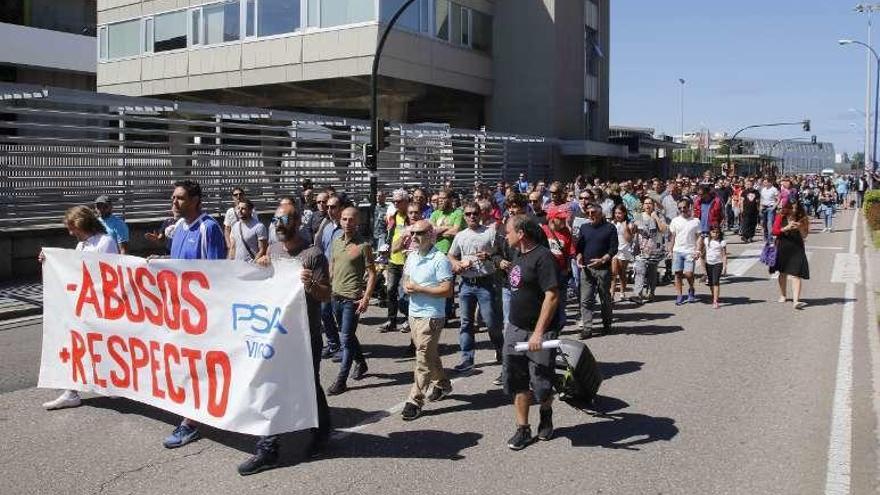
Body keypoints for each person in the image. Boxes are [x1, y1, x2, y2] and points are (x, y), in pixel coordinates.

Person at [238, 202, 332, 475]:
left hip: (305, 337)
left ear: (298, 221)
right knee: (272, 387)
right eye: (275, 219)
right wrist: (260, 266)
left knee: (309, 387)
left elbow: (326, 294)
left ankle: (322, 431)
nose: (278, 224)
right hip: (276, 336)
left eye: (284, 219)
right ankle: (268, 449)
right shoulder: (274, 250)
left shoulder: (313, 254)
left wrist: (310, 284)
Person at [162, 180, 227, 449]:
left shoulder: (208, 228)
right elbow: (180, 267)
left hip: (200, 315)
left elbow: (215, 275)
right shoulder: (178, 228)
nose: (174, 202)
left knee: (197, 366)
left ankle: (191, 422)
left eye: (179, 198)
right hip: (177, 311)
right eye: (173, 197)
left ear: (195, 200)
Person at [41, 205, 119, 411]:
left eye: (71, 227)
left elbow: (113, 274)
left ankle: (115, 384)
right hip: (84, 306)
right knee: (77, 347)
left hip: (102, 307)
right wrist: (50, 261)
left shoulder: (106, 242)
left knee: (102, 347)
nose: (70, 232)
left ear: (80, 223)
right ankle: (71, 391)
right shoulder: (81, 246)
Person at [502, 214, 559, 450]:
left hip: (539, 332)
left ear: (521, 233)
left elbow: (552, 295)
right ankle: (523, 428)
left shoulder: (543, 257)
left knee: (542, 383)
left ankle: (546, 412)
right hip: (515, 328)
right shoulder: (517, 255)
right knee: (517, 380)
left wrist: (538, 333)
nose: (506, 236)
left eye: (508, 231)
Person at [400, 220, 454, 420]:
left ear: (431, 234)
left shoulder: (440, 259)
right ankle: (442, 384)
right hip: (414, 313)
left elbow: (447, 290)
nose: (414, 237)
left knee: (422, 357)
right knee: (428, 353)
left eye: (420, 233)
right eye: (412, 233)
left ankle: (414, 400)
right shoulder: (412, 256)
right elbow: (406, 278)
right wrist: (407, 286)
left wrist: (421, 288)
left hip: (432, 315)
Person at [327, 207, 377, 395]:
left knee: (346, 339)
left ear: (358, 222)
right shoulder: (336, 240)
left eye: (351, 220)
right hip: (335, 296)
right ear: (340, 221)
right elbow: (333, 265)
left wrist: (366, 298)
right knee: (347, 334)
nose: (347, 222)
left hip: (352, 299)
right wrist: (327, 287)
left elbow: (372, 274)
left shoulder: (363, 245)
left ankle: (341, 381)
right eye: (344, 219)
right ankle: (362, 363)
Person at [448, 202, 502, 374]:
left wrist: (489, 256)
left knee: (491, 321)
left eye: (475, 213)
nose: (472, 216)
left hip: (486, 282)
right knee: (466, 323)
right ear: (464, 216)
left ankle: (501, 350)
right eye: (469, 214)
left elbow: (500, 252)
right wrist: (456, 263)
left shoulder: (489, 232)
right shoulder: (460, 236)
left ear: (481, 215)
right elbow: (451, 254)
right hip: (466, 284)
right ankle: (467, 359)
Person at [575, 202, 617, 339]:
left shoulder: (610, 228)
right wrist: (579, 256)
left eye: (593, 212)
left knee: (604, 299)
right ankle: (587, 328)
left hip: (603, 269)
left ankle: (607, 324)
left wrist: (603, 260)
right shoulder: (584, 227)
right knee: (585, 299)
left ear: (601, 214)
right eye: (588, 213)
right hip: (586, 269)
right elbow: (579, 247)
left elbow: (613, 249)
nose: (590, 215)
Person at [382, 189, 412, 333]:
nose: (395, 203)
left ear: (406, 201)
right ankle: (391, 320)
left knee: (405, 292)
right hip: (393, 259)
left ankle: (407, 319)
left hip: (408, 260)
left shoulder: (412, 216)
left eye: (399, 201)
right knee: (390, 290)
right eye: (394, 201)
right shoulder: (393, 216)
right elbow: (390, 234)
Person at [771, 201, 810, 309]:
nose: (793, 210)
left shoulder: (803, 218)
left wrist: (800, 228)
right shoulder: (780, 216)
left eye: (795, 208)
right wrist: (786, 228)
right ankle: (783, 295)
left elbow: (805, 235)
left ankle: (796, 300)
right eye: (791, 208)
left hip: (797, 248)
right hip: (783, 247)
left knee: (796, 274)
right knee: (782, 273)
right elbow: (774, 231)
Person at [632, 197, 666, 303]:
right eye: (646, 203)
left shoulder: (659, 216)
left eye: (650, 203)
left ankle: (651, 293)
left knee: (652, 273)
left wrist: (655, 217)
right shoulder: (638, 217)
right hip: (641, 250)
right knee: (640, 272)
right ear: (643, 205)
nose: (648, 205)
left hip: (654, 250)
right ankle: (638, 294)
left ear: (653, 205)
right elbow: (633, 231)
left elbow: (663, 230)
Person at [668, 198, 701, 306]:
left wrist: (697, 250)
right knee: (677, 273)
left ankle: (691, 288)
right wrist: (670, 250)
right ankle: (679, 295)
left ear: (689, 207)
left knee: (688, 273)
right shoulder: (675, 221)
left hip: (690, 251)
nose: (682, 210)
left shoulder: (695, 221)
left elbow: (699, 237)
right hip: (677, 250)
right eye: (680, 208)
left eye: (684, 207)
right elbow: (672, 237)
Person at [227, 198, 268, 262]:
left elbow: (263, 249)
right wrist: (230, 262)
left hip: (252, 267)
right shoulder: (235, 226)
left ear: (250, 211)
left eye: (243, 209)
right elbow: (233, 247)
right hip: (237, 267)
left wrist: (254, 264)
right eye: (238, 208)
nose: (239, 211)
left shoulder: (259, 227)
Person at [610, 204, 635, 301]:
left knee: (621, 272)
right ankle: (611, 293)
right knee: (613, 272)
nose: (617, 215)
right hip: (614, 250)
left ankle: (622, 292)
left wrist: (625, 228)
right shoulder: (612, 223)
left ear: (624, 213)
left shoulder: (629, 224)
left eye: (619, 213)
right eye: (616, 213)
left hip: (625, 250)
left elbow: (629, 239)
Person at [702, 226, 728, 309]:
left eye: (717, 232)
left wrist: (724, 267)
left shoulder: (722, 242)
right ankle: (714, 296)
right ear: (710, 232)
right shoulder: (706, 241)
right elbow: (703, 253)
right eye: (713, 232)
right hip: (709, 263)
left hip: (718, 263)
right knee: (710, 282)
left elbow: (724, 255)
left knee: (715, 282)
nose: (715, 234)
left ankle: (715, 301)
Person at [759, 178, 779, 243]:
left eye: (765, 182)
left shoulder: (774, 189)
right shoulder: (763, 189)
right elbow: (761, 198)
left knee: (769, 223)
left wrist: (775, 206)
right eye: (764, 183)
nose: (764, 184)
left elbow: (778, 198)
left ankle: (770, 237)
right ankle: (765, 236)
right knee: (764, 223)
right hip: (764, 207)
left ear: (769, 183)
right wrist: (760, 206)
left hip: (770, 208)